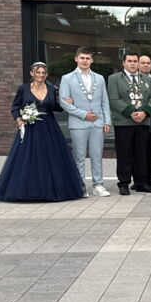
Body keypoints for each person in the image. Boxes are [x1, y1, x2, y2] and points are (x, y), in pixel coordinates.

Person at [0, 62, 86, 202]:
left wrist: (67, 102)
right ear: (32, 73)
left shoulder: (51, 89)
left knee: (51, 159)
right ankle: (27, 191)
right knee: (27, 159)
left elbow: (56, 107)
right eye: (38, 72)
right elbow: (15, 107)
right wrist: (19, 119)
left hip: (49, 129)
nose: (41, 75)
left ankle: (52, 190)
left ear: (46, 75)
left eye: (43, 73)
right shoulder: (23, 89)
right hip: (30, 129)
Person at [58, 46, 112, 197]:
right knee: (79, 156)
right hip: (78, 123)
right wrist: (83, 115)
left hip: (97, 122)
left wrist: (107, 121)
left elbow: (105, 101)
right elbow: (64, 102)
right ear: (76, 58)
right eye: (82, 58)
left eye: (88, 58)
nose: (85, 61)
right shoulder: (67, 78)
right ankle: (80, 185)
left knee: (97, 155)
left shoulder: (99, 78)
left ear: (92, 60)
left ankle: (98, 185)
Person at [109, 52, 151, 195]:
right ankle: (124, 183)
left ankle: (141, 183)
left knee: (141, 154)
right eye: (129, 61)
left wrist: (145, 113)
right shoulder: (114, 78)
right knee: (124, 154)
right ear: (123, 63)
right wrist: (131, 112)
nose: (132, 63)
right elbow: (114, 99)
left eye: (135, 61)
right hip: (124, 123)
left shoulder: (146, 79)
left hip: (143, 122)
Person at [138, 54, 151, 186]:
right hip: (139, 121)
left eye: (148, 63)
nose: (146, 65)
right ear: (138, 65)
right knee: (138, 153)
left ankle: (150, 179)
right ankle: (139, 180)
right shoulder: (133, 80)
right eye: (143, 63)